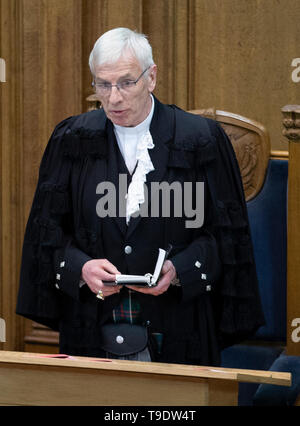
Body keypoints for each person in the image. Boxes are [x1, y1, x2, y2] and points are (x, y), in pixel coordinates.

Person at [16, 27, 264, 366]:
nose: (114, 97)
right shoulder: (71, 141)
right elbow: (46, 239)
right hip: (90, 330)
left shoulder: (201, 141)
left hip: (179, 331)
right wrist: (80, 267)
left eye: (126, 82)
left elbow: (227, 242)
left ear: (152, 78)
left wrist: (180, 270)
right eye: (103, 84)